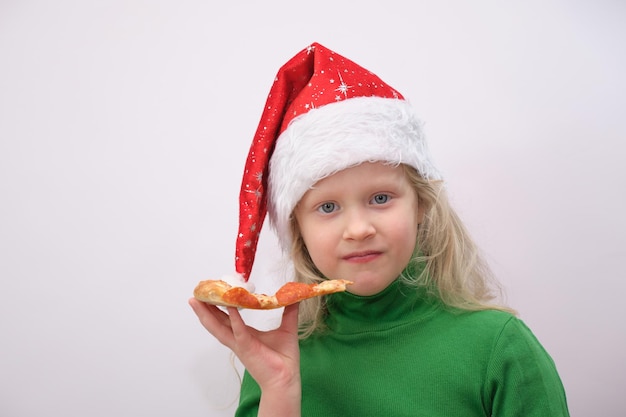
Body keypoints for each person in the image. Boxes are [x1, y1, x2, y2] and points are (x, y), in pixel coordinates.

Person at [189, 42, 570, 417]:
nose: (358, 228)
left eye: (381, 198)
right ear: (297, 229)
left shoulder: (500, 349)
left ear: (420, 204)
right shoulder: (272, 362)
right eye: (327, 207)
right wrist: (280, 390)